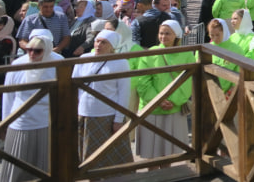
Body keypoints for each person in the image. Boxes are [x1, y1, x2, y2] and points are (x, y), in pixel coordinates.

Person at [0, 31, 58, 182]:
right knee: (15, 166)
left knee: (44, 166)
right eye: (29, 50)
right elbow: (8, 95)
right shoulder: (18, 64)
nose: (32, 54)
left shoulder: (57, 63)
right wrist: (5, 121)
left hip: (46, 122)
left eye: (37, 51)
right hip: (20, 121)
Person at [74, 29, 133, 170]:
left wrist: (118, 119)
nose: (98, 45)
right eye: (97, 41)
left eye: (103, 42)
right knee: (89, 160)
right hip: (85, 114)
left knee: (110, 159)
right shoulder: (83, 59)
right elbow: (75, 85)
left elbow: (124, 93)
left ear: (112, 46)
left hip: (107, 115)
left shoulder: (120, 63)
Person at [134, 21, 193, 161]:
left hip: (174, 109)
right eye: (161, 33)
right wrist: (158, 100)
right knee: (151, 156)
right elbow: (143, 81)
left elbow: (187, 81)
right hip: (151, 108)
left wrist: (174, 100)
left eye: (167, 33)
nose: (163, 36)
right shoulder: (150, 53)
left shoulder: (186, 54)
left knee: (169, 155)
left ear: (176, 35)